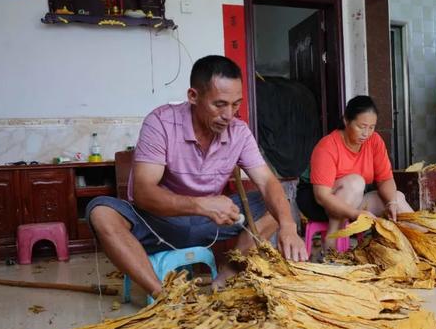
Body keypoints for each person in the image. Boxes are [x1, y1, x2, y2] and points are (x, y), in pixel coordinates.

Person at [87, 55, 307, 297]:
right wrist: (201, 205)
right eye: (220, 104)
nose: (229, 115)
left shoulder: (239, 132)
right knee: (101, 212)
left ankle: (226, 277)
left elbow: (267, 182)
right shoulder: (161, 122)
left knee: (276, 207)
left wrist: (288, 226)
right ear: (193, 96)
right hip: (160, 220)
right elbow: (142, 193)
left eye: (236, 104)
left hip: (210, 223)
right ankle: (161, 295)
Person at [296, 95, 413, 251]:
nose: (366, 133)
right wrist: (355, 213)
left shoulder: (375, 141)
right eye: (361, 126)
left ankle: (428, 245)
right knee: (355, 182)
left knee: (397, 198)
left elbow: (385, 179)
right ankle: (332, 248)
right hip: (319, 203)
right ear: (346, 121)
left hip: (355, 200)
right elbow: (321, 195)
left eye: (371, 127)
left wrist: (391, 202)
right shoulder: (328, 146)